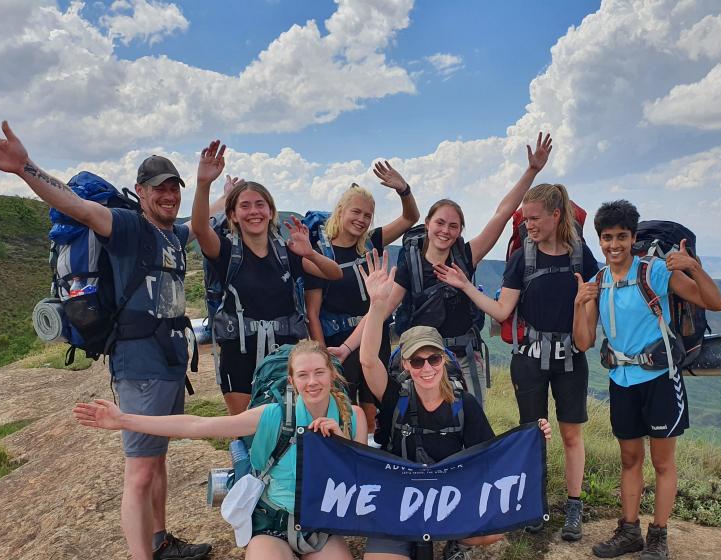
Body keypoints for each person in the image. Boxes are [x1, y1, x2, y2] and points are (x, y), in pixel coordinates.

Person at [0, 119, 215, 560]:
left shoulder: (171, 234)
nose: (168, 196)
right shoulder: (124, 227)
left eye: (174, 189)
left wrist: (210, 184)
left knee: (158, 459)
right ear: (140, 192)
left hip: (166, 362)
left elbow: (211, 218)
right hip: (137, 365)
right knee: (139, 472)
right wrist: (24, 168)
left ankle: (162, 541)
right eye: (160, 189)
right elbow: (72, 205)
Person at [74, 340, 365, 560]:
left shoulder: (352, 417)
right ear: (292, 382)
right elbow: (199, 425)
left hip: (318, 526)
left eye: (319, 372)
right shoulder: (273, 414)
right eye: (303, 375)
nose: (312, 382)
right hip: (272, 521)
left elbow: (362, 483)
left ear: (332, 375)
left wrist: (343, 444)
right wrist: (125, 420)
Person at [357, 251, 552, 560]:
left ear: (444, 359)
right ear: (405, 363)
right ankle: (408, 545)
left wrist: (531, 437)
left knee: (495, 528)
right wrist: (377, 306)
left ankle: (454, 543)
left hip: (446, 502)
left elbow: (493, 457)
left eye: (433, 357)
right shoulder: (395, 396)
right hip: (397, 502)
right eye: (417, 360)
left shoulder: (465, 404)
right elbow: (368, 359)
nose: (426, 366)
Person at [434, 182, 600, 544]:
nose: (529, 226)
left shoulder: (581, 257)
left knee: (572, 434)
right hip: (529, 360)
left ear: (557, 216)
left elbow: (591, 315)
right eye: (525, 219)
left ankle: (574, 505)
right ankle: (533, 502)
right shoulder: (522, 257)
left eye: (535, 218)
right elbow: (502, 309)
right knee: (532, 434)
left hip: (571, 357)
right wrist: (465, 285)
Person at [572, 200, 721, 560]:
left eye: (621, 237)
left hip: (659, 378)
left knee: (662, 461)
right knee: (629, 458)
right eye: (607, 238)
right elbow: (582, 342)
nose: (614, 245)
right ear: (600, 239)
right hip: (622, 381)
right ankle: (629, 530)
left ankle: (658, 535)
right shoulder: (598, 282)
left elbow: (714, 302)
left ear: (633, 237)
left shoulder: (654, 272)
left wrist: (692, 267)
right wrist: (580, 304)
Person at [351, 132, 554, 405]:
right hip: (422, 362)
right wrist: (346, 347)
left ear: (460, 231)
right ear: (428, 223)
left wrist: (531, 170)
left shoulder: (466, 256)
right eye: (440, 223)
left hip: (465, 358)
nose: (445, 231)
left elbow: (502, 213)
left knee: (472, 427)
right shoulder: (410, 261)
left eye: (453, 226)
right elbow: (380, 310)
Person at [192, 141, 343, 415]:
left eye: (260, 205)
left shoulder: (287, 253)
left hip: (286, 357)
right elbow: (201, 228)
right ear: (233, 215)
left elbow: (334, 273)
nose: (254, 212)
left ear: (271, 212)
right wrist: (203, 185)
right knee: (245, 434)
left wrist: (310, 253)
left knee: (290, 428)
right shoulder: (225, 252)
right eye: (245, 206)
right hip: (238, 356)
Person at [304, 163, 419, 435]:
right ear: (340, 211)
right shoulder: (321, 252)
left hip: (372, 338)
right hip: (336, 344)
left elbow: (409, 218)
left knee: (372, 408)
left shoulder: (370, 242)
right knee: (341, 409)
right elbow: (313, 311)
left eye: (368, 215)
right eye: (356, 212)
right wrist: (323, 359)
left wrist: (403, 189)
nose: (362, 219)